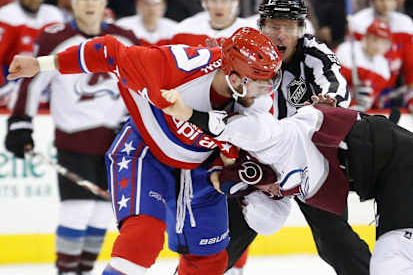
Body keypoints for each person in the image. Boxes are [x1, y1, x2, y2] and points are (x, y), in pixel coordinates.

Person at [6, 26, 283, 275]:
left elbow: (237, 149)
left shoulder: (255, 107)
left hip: (200, 165)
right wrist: (40, 64)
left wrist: (231, 171)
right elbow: (108, 51)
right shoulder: (170, 68)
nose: (264, 90)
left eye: (268, 82)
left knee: (209, 262)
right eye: (257, 81)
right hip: (146, 151)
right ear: (232, 74)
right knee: (141, 242)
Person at [159, 89, 413, 275]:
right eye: (276, 194)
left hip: (410, 168)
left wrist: (186, 112)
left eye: (266, 190)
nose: (275, 191)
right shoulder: (287, 182)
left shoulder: (274, 139)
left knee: (389, 265)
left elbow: (230, 128)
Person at [226, 0, 372, 275]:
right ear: (262, 26)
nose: (281, 34)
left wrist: (329, 101)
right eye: (273, 26)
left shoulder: (315, 54)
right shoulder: (244, 54)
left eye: (289, 26)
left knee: (335, 243)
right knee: (223, 243)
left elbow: (334, 82)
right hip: (259, 164)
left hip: (308, 163)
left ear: (302, 28)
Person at [4, 0, 138, 275]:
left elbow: (141, 86)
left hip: (117, 145)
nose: (89, 4)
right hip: (73, 141)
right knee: (76, 213)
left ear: (105, 1)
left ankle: (83, 271)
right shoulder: (55, 37)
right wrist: (20, 123)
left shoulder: (125, 38)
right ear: (72, 3)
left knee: (102, 215)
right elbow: (33, 82)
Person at [349, 0, 413, 120]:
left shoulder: (404, 24)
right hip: (363, 91)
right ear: (372, 0)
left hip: (390, 93)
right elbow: (354, 65)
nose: (385, 3)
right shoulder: (359, 23)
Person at [0, 0, 63, 103]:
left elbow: (62, 53)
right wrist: (3, 86)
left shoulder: (53, 14)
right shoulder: (7, 15)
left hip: (47, 79)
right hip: (14, 80)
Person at [171, 0, 251, 47]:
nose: (218, 6)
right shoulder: (185, 29)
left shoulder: (249, 32)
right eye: (213, 0)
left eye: (224, 0)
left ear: (235, 1)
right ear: (205, 1)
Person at [336, 19, 393, 111]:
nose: (378, 46)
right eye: (375, 39)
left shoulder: (383, 66)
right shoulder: (346, 49)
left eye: (383, 42)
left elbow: (373, 95)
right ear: (366, 37)